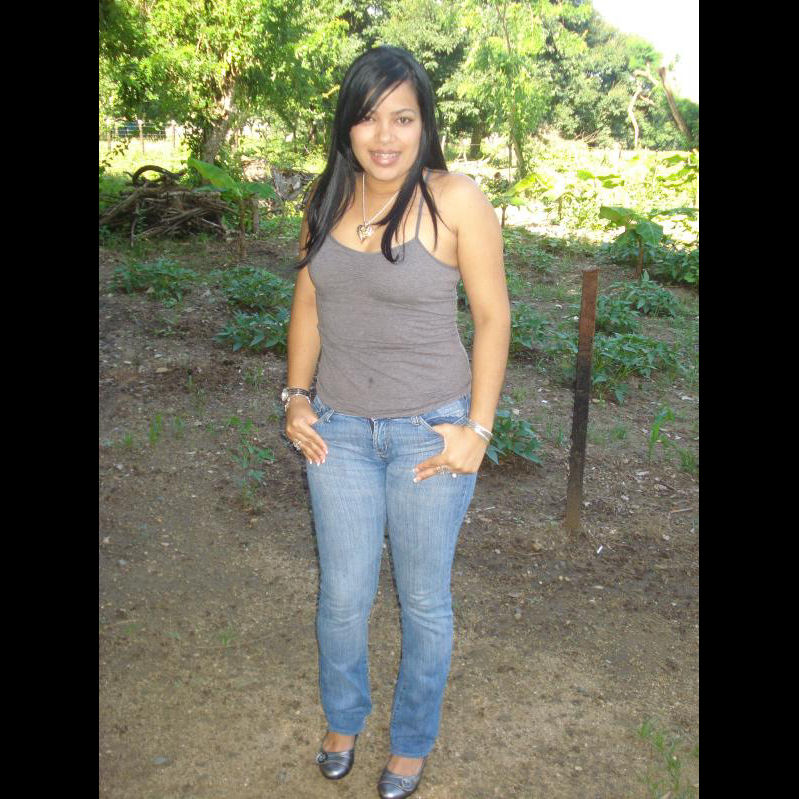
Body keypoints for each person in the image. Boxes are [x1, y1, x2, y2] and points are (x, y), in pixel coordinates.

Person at [283, 45, 510, 799]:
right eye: (369, 117)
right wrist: (296, 395)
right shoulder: (326, 198)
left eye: (403, 118)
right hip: (338, 431)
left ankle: (411, 741)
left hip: (430, 433)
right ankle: (344, 718)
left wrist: (477, 430)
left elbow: (492, 316)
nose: (385, 136)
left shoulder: (456, 200)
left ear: (424, 124)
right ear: (347, 125)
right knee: (342, 597)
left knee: (423, 600)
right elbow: (309, 301)